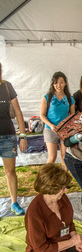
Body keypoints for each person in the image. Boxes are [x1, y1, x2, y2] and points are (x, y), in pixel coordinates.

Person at [0, 62, 28, 215]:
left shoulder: (6, 86)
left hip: (7, 136)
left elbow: (17, 111)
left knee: (10, 171)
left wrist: (23, 136)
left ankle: (14, 203)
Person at [40, 71, 75, 170]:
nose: (58, 85)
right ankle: (46, 180)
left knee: (65, 157)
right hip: (50, 130)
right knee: (52, 157)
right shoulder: (48, 97)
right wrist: (51, 125)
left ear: (65, 83)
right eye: (56, 83)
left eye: (61, 82)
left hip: (64, 131)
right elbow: (42, 115)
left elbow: (72, 116)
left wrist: (69, 128)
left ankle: (63, 183)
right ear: (53, 84)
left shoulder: (70, 99)